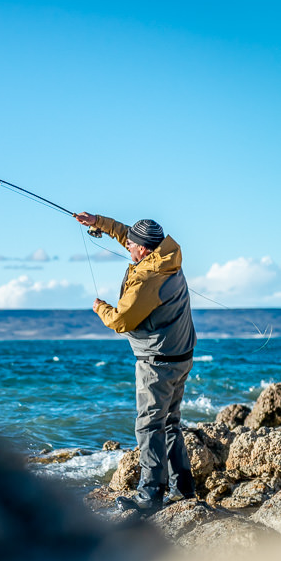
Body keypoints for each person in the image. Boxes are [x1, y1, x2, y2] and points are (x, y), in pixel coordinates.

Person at [74, 212, 196, 513]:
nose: (127, 245)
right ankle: (184, 488)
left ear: (144, 249)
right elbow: (127, 233)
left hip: (158, 363)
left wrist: (101, 308)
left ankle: (150, 496)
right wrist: (98, 222)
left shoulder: (147, 280)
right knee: (169, 423)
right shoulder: (167, 255)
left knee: (148, 425)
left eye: (132, 244)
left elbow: (122, 321)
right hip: (181, 356)